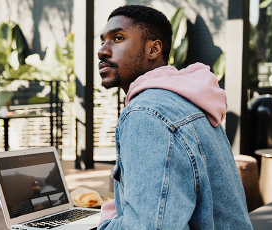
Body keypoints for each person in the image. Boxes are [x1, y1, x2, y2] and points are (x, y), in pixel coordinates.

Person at [96, 5, 253, 229]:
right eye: (102, 40)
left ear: (154, 49)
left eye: (118, 38)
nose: (103, 50)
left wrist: (104, 224)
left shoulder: (146, 114)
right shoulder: (185, 100)